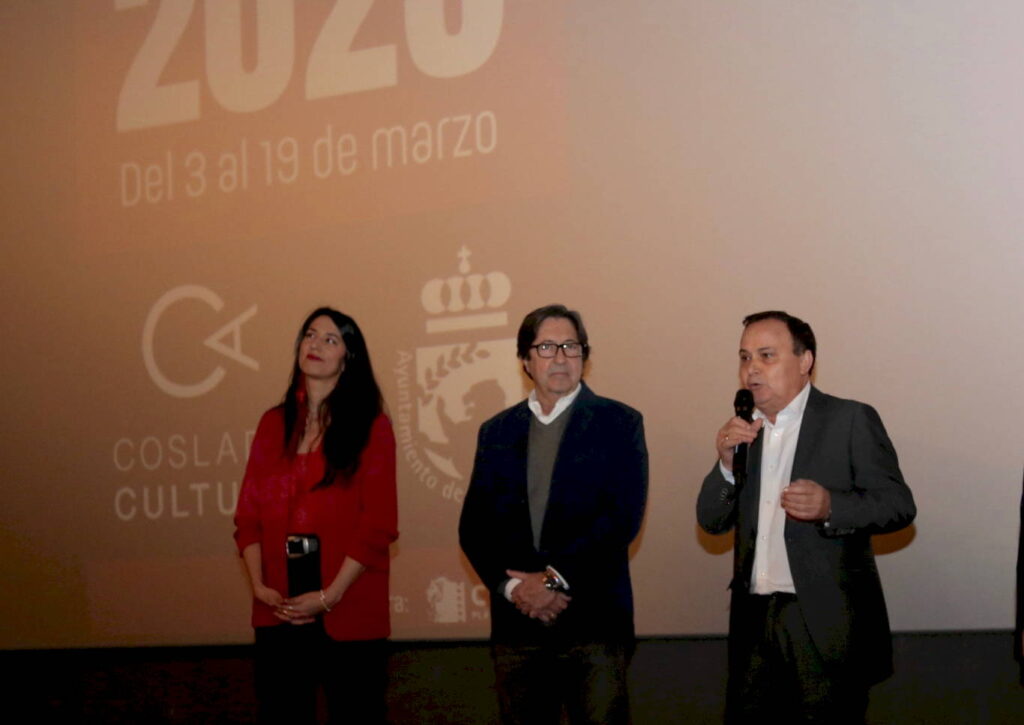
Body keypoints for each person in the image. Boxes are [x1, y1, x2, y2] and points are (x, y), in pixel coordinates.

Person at [697, 310, 916, 723]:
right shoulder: (744, 433)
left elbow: (898, 504)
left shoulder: (849, 419)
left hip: (822, 623)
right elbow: (710, 520)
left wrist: (832, 506)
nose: (751, 369)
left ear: (805, 361)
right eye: (744, 357)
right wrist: (725, 465)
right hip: (755, 624)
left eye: (766, 356)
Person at [459, 304, 648, 725]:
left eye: (570, 346)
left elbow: (621, 520)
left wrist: (551, 581)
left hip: (594, 627)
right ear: (525, 360)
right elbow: (474, 529)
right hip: (518, 628)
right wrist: (514, 589)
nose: (560, 357)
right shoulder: (496, 432)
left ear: (584, 355)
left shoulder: (619, 423)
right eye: (546, 347)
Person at [234, 307, 397, 724]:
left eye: (330, 339)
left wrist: (329, 596)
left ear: (348, 357)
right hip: (279, 612)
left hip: (350, 611)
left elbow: (379, 525)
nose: (316, 344)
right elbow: (247, 517)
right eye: (310, 335)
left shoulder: (372, 426)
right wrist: (259, 585)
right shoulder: (272, 424)